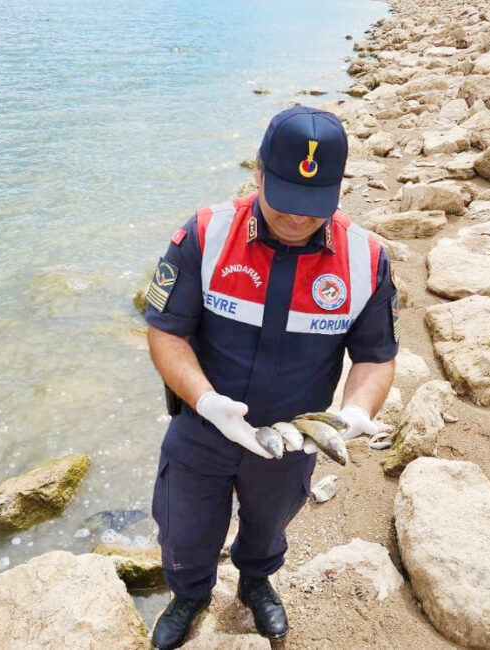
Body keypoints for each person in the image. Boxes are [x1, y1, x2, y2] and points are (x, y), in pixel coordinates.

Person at [143, 106, 398, 648]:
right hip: (204, 424)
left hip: (293, 436)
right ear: (258, 171)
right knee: (183, 528)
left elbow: (374, 357)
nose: (298, 218)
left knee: (270, 523)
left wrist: (356, 412)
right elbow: (166, 332)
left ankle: (256, 583)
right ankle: (189, 593)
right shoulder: (205, 234)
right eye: (284, 198)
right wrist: (208, 403)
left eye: (313, 206)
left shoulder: (366, 258)